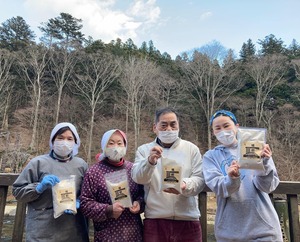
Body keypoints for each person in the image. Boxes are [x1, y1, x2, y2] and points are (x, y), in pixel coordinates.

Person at [203, 110, 283, 242]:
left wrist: (265, 162)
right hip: (228, 233)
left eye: (226, 125)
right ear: (213, 132)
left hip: (264, 230)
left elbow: (268, 187)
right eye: (217, 128)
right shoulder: (210, 157)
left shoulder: (255, 147)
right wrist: (232, 178)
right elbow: (219, 188)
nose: (223, 130)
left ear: (237, 126)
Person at [132, 107, 205, 242]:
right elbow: (138, 177)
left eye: (173, 124)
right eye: (163, 125)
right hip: (155, 219)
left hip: (188, 219)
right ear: (155, 127)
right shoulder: (144, 150)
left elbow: (200, 180)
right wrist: (149, 162)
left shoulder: (191, 149)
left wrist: (184, 186)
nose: (169, 129)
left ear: (178, 126)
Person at [12, 122, 89, 242]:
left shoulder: (81, 165)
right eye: (60, 138)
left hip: (73, 230)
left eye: (69, 139)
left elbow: (88, 193)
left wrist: (79, 201)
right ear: (52, 141)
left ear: (75, 143)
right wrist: (38, 188)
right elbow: (17, 192)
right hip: (42, 231)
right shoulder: (38, 163)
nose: (64, 142)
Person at [80, 129, 144, 242]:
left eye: (120, 143)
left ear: (125, 145)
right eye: (111, 143)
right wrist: (108, 210)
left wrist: (139, 203)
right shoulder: (94, 172)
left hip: (133, 233)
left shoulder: (133, 169)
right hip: (107, 235)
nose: (116, 147)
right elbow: (85, 204)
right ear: (104, 146)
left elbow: (143, 194)